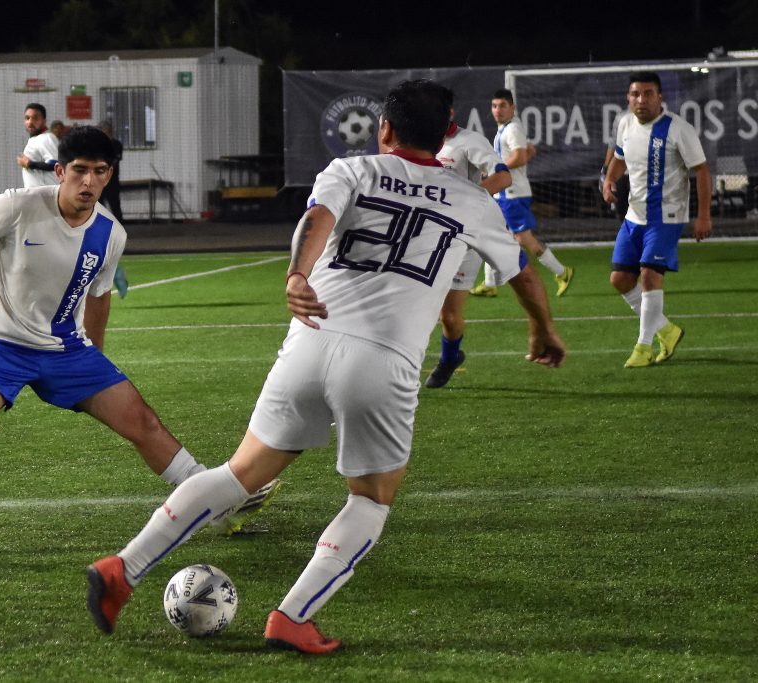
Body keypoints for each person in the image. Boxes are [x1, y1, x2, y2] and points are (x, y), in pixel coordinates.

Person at [85, 80, 565, 654]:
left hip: (310, 340)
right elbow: (522, 273)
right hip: (383, 362)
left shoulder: (353, 168)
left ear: (385, 128)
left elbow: (316, 218)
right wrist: (542, 329)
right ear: (446, 137)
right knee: (371, 497)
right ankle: (293, 617)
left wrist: (296, 275)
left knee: (240, 472)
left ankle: (122, 568)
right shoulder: (472, 199)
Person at [0, 127, 277, 565]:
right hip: (1, 342)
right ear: (60, 171)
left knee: (142, 422)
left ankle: (216, 505)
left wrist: (96, 359)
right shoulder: (18, 205)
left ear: (109, 175)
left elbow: (99, 295)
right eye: (80, 170)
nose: (88, 181)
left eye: (99, 172)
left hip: (67, 349)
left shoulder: (110, 233)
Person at [427, 90, 566, 388]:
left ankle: (541, 325)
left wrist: (467, 200)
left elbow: (503, 176)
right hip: (433, 235)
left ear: (450, 112)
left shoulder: (469, 141)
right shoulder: (419, 143)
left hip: (469, 231)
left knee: (516, 271)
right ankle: (449, 355)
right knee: (444, 317)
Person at [602, 71, 711, 368]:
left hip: (667, 216)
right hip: (634, 215)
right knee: (620, 279)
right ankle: (667, 330)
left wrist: (703, 215)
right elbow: (619, 157)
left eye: (648, 93)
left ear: (660, 97)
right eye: (635, 94)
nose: (641, 100)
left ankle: (643, 347)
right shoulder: (625, 123)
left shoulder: (678, 129)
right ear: (628, 98)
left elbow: (701, 170)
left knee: (649, 275)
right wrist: (609, 179)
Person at [470, 88, 574, 298]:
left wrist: (496, 169)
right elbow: (525, 151)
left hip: (513, 194)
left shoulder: (512, 128)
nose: (497, 110)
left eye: (502, 106)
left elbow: (519, 157)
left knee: (524, 239)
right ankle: (490, 283)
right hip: (505, 193)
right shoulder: (506, 128)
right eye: (494, 106)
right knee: (490, 231)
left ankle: (562, 272)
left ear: (512, 108)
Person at [98, 120, 129, 298]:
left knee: (114, 207)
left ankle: (114, 270)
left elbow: (113, 162)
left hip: (112, 184)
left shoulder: (115, 145)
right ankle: (114, 271)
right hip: (99, 186)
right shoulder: (96, 146)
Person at [16, 103, 60, 188]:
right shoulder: (35, 139)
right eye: (27, 118)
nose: (30, 122)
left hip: (46, 192)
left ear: (44, 121)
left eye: (35, 118)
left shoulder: (46, 138)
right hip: (37, 193)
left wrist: (29, 164)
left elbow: (55, 164)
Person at [601, 108, 632, 220]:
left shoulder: (660, 121)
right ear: (629, 98)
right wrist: (606, 170)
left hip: (645, 175)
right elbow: (614, 145)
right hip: (623, 174)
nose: (640, 100)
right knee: (622, 212)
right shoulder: (621, 118)